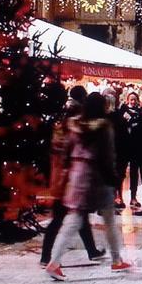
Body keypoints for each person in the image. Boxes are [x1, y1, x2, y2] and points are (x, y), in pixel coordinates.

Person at [43, 92, 131, 280]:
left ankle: (54, 261)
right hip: (98, 177)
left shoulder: (73, 125)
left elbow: (66, 152)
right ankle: (116, 260)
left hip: (78, 175)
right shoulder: (104, 127)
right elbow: (107, 155)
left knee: (73, 219)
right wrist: (113, 178)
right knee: (108, 220)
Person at [40, 86, 105, 266]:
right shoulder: (74, 119)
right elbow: (69, 149)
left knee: (79, 215)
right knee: (61, 217)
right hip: (68, 176)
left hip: (64, 173)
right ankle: (47, 257)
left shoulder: (63, 117)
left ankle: (91, 250)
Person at [116, 91, 142, 209]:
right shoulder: (122, 111)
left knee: (134, 173)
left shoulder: (141, 112)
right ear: (127, 100)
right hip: (124, 146)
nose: (133, 101)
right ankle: (119, 196)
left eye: (134, 99)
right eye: (131, 99)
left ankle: (133, 197)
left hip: (136, 146)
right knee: (121, 171)